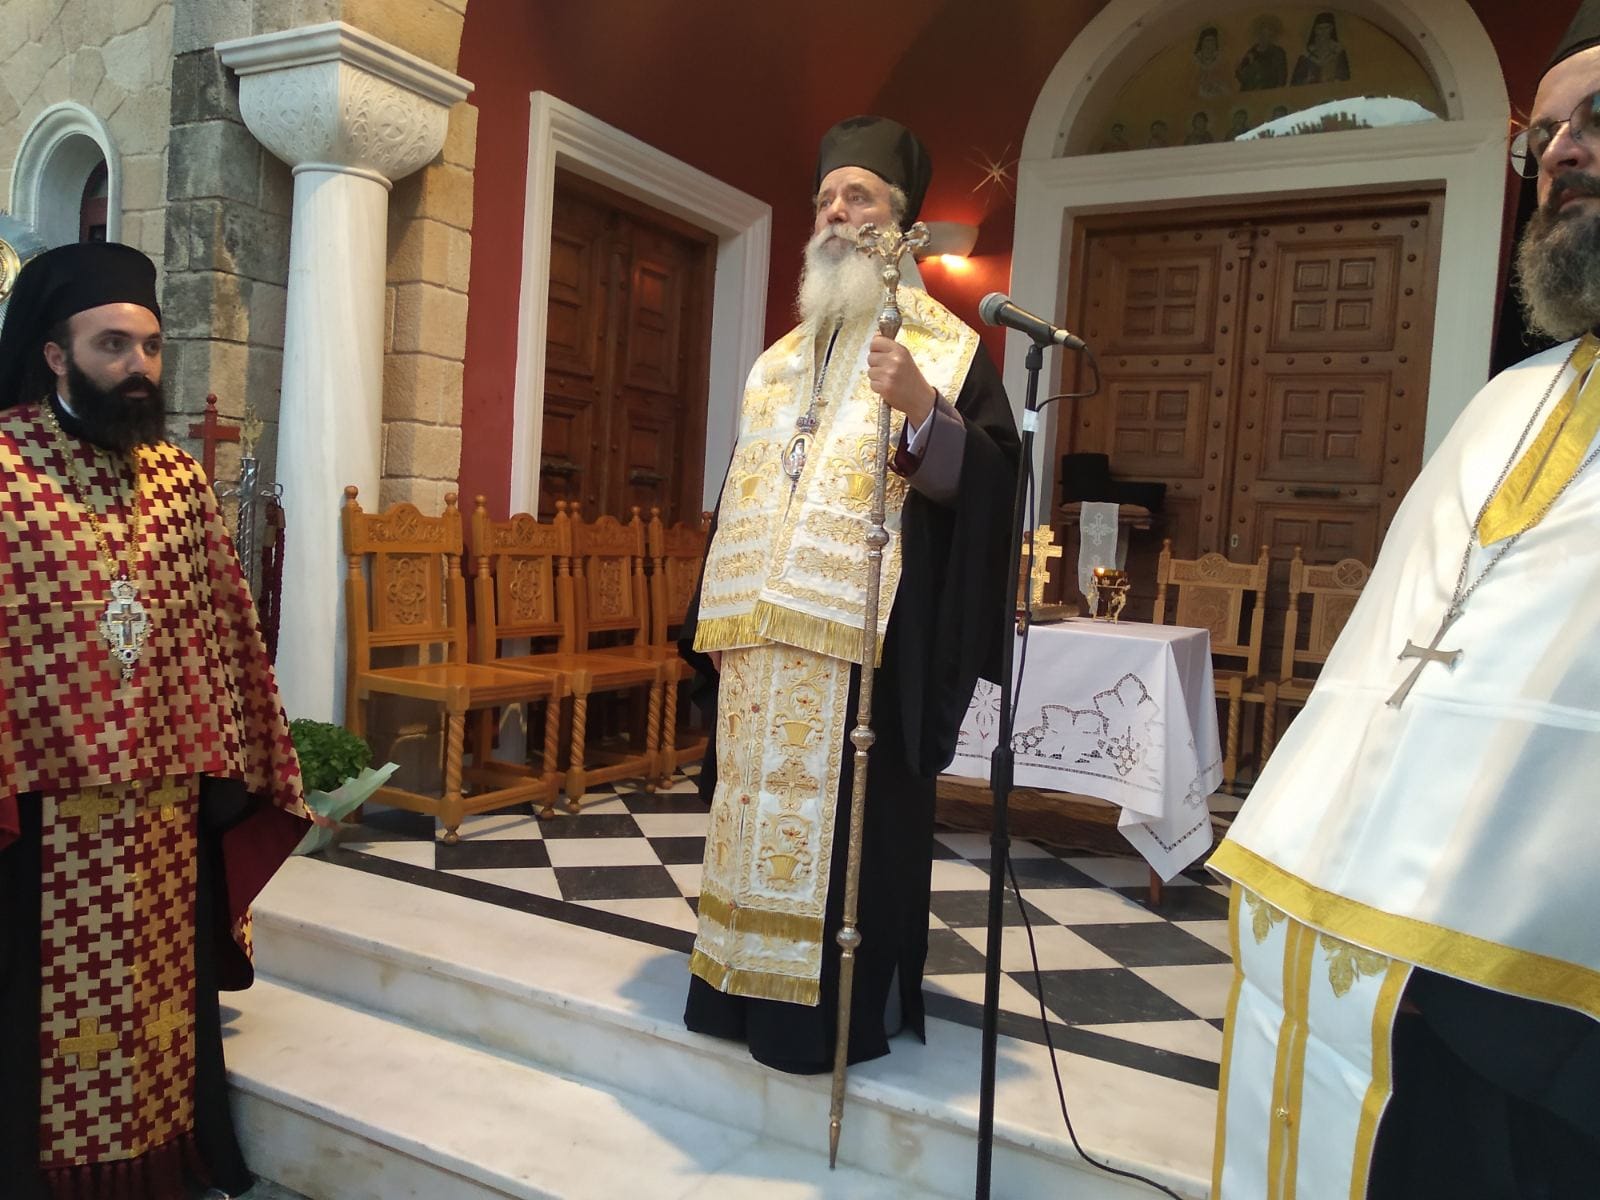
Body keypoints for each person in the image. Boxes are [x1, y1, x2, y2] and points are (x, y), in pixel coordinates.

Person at [1208, 9, 1600, 1198]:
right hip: (1383, 953)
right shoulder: (1510, 397)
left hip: (1554, 1014)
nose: (1561, 154)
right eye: (1542, 135)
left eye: (1597, 119)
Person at [680, 115, 1019, 1074]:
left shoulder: (948, 351)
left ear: (899, 224)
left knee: (845, 846)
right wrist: (715, 618)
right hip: (758, 651)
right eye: (826, 197)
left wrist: (923, 412)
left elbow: (993, 485)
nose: (835, 211)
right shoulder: (777, 361)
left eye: (857, 196)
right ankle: (735, 994)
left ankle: (829, 1017)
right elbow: (741, 492)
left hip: (867, 656)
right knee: (748, 822)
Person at [0, 241, 312, 1199]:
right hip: (42, 812)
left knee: (154, 1002)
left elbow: (221, 629)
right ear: (54, 353)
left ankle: (166, 1152)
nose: (137, 367)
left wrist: (234, 761)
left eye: (149, 346)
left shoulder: (176, 478)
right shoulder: (5, 467)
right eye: (111, 346)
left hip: (162, 810)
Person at [1291, 10, 1351, 86]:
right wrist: (1307, 80)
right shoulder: (1306, 54)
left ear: (1332, 29)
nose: (1323, 32)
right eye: (1320, 28)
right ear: (1315, 30)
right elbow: (1296, 82)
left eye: (1327, 28)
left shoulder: (1339, 51)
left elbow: (1344, 77)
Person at [1235, 14, 1288, 92]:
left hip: (1268, 93)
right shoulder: (1251, 52)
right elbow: (1242, 77)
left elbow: (1281, 79)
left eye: (1268, 35)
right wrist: (1240, 69)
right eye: (1262, 34)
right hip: (1250, 93)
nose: (1264, 38)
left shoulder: (1278, 53)